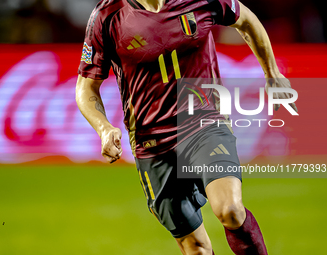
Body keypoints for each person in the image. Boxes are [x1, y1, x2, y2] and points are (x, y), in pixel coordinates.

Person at [75, 0, 297, 254]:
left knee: (230, 210)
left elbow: (245, 19)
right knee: (196, 247)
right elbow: (85, 87)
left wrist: (272, 74)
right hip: (152, 142)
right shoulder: (107, 15)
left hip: (204, 123)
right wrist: (103, 128)